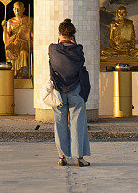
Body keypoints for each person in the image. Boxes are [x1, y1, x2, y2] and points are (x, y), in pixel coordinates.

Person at [48, 18, 91, 167]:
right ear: (73, 35)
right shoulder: (78, 50)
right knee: (78, 123)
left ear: (59, 33)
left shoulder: (53, 49)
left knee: (59, 124)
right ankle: (79, 158)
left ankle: (62, 157)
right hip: (76, 90)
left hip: (58, 92)